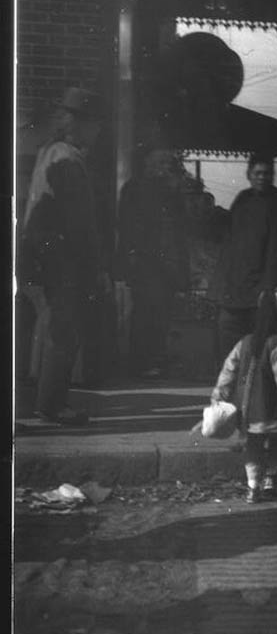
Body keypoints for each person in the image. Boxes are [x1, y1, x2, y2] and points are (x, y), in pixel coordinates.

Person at [19, 87, 107, 425]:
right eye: (94, 124)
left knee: (52, 326)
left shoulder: (49, 151)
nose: (97, 132)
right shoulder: (69, 160)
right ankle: (53, 405)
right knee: (64, 330)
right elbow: (80, 223)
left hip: (42, 254)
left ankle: (45, 401)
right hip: (63, 256)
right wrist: (95, 268)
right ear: (79, 124)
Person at [210, 288, 277, 503]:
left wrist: (219, 394)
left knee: (252, 445)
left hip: (247, 409)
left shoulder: (244, 342)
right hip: (271, 407)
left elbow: (228, 371)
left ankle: (253, 486)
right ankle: (271, 479)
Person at [215, 155, 277, 370]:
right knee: (229, 348)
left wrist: (270, 290)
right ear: (248, 175)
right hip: (236, 289)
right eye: (257, 173)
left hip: (264, 292)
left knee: (261, 354)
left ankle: (258, 400)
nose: (262, 178)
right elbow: (230, 243)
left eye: (267, 173)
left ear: (273, 175)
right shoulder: (242, 199)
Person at [115, 146, 189, 378]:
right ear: (148, 164)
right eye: (160, 163)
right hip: (145, 262)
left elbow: (179, 228)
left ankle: (155, 358)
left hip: (166, 263)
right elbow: (126, 225)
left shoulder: (171, 191)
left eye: (166, 164)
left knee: (161, 313)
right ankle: (142, 362)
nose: (164, 168)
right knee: (145, 312)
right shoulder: (134, 188)